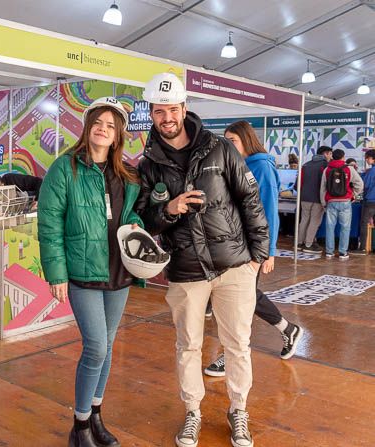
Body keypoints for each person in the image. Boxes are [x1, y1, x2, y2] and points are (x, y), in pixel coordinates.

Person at [135, 73, 269, 447]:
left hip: (235, 266)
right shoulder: (148, 164)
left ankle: (238, 410)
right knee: (188, 345)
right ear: (151, 113)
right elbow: (144, 220)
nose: (167, 117)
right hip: (186, 269)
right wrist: (169, 209)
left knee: (237, 344)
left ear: (184, 108)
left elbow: (250, 200)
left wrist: (257, 257)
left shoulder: (218, 148)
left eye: (172, 109)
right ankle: (192, 411)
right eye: (159, 111)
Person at [38, 96, 143, 447]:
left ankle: (96, 415)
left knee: (109, 346)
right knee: (95, 346)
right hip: (82, 272)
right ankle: (79, 425)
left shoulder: (126, 175)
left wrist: (142, 232)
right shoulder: (64, 168)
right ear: (88, 127)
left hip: (118, 271)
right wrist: (56, 274)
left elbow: (132, 219)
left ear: (117, 136)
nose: (103, 129)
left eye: (111, 126)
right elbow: (49, 223)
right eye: (98, 122)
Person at [203, 121, 305, 377]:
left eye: (233, 140)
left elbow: (269, 208)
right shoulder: (234, 165)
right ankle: (287, 329)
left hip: (251, 245)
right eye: (225, 140)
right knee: (243, 296)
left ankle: (232, 354)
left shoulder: (261, 166)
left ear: (246, 141)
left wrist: (269, 251)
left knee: (240, 299)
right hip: (231, 243)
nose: (228, 145)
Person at [320, 148, 363, 260]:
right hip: (345, 202)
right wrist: (353, 195)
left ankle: (329, 252)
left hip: (331, 201)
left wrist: (324, 202)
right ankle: (343, 253)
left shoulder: (327, 169)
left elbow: (323, 188)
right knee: (345, 227)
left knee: (330, 227)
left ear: (333, 156)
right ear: (343, 157)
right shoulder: (349, 169)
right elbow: (360, 184)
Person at [297, 146, 333, 253]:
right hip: (318, 198)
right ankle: (308, 244)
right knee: (314, 221)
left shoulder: (306, 165)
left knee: (304, 220)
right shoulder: (325, 166)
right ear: (325, 154)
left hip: (304, 197)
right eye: (330, 154)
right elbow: (326, 184)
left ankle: (299, 243)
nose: (331, 156)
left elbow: (298, 183)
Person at [352, 149, 375, 254]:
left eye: (367, 158)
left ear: (372, 159)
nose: (366, 160)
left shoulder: (372, 171)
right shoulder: (370, 171)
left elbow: (364, 185)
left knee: (364, 223)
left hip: (370, 201)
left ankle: (362, 248)